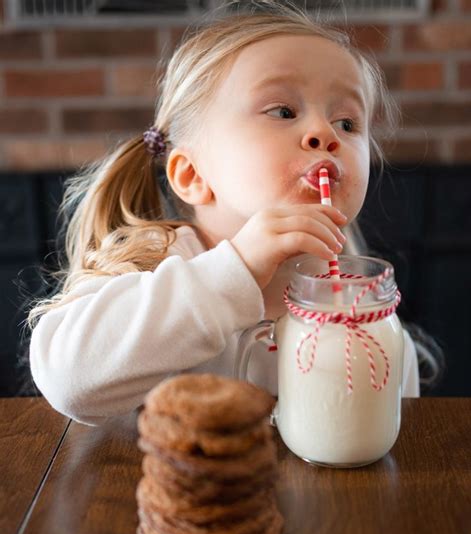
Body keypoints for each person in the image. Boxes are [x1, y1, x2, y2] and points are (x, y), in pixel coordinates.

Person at [28, 2, 424, 426]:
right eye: (283, 112)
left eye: (347, 123)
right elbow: (67, 378)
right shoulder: (157, 266)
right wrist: (238, 270)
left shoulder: (362, 309)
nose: (325, 134)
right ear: (194, 174)